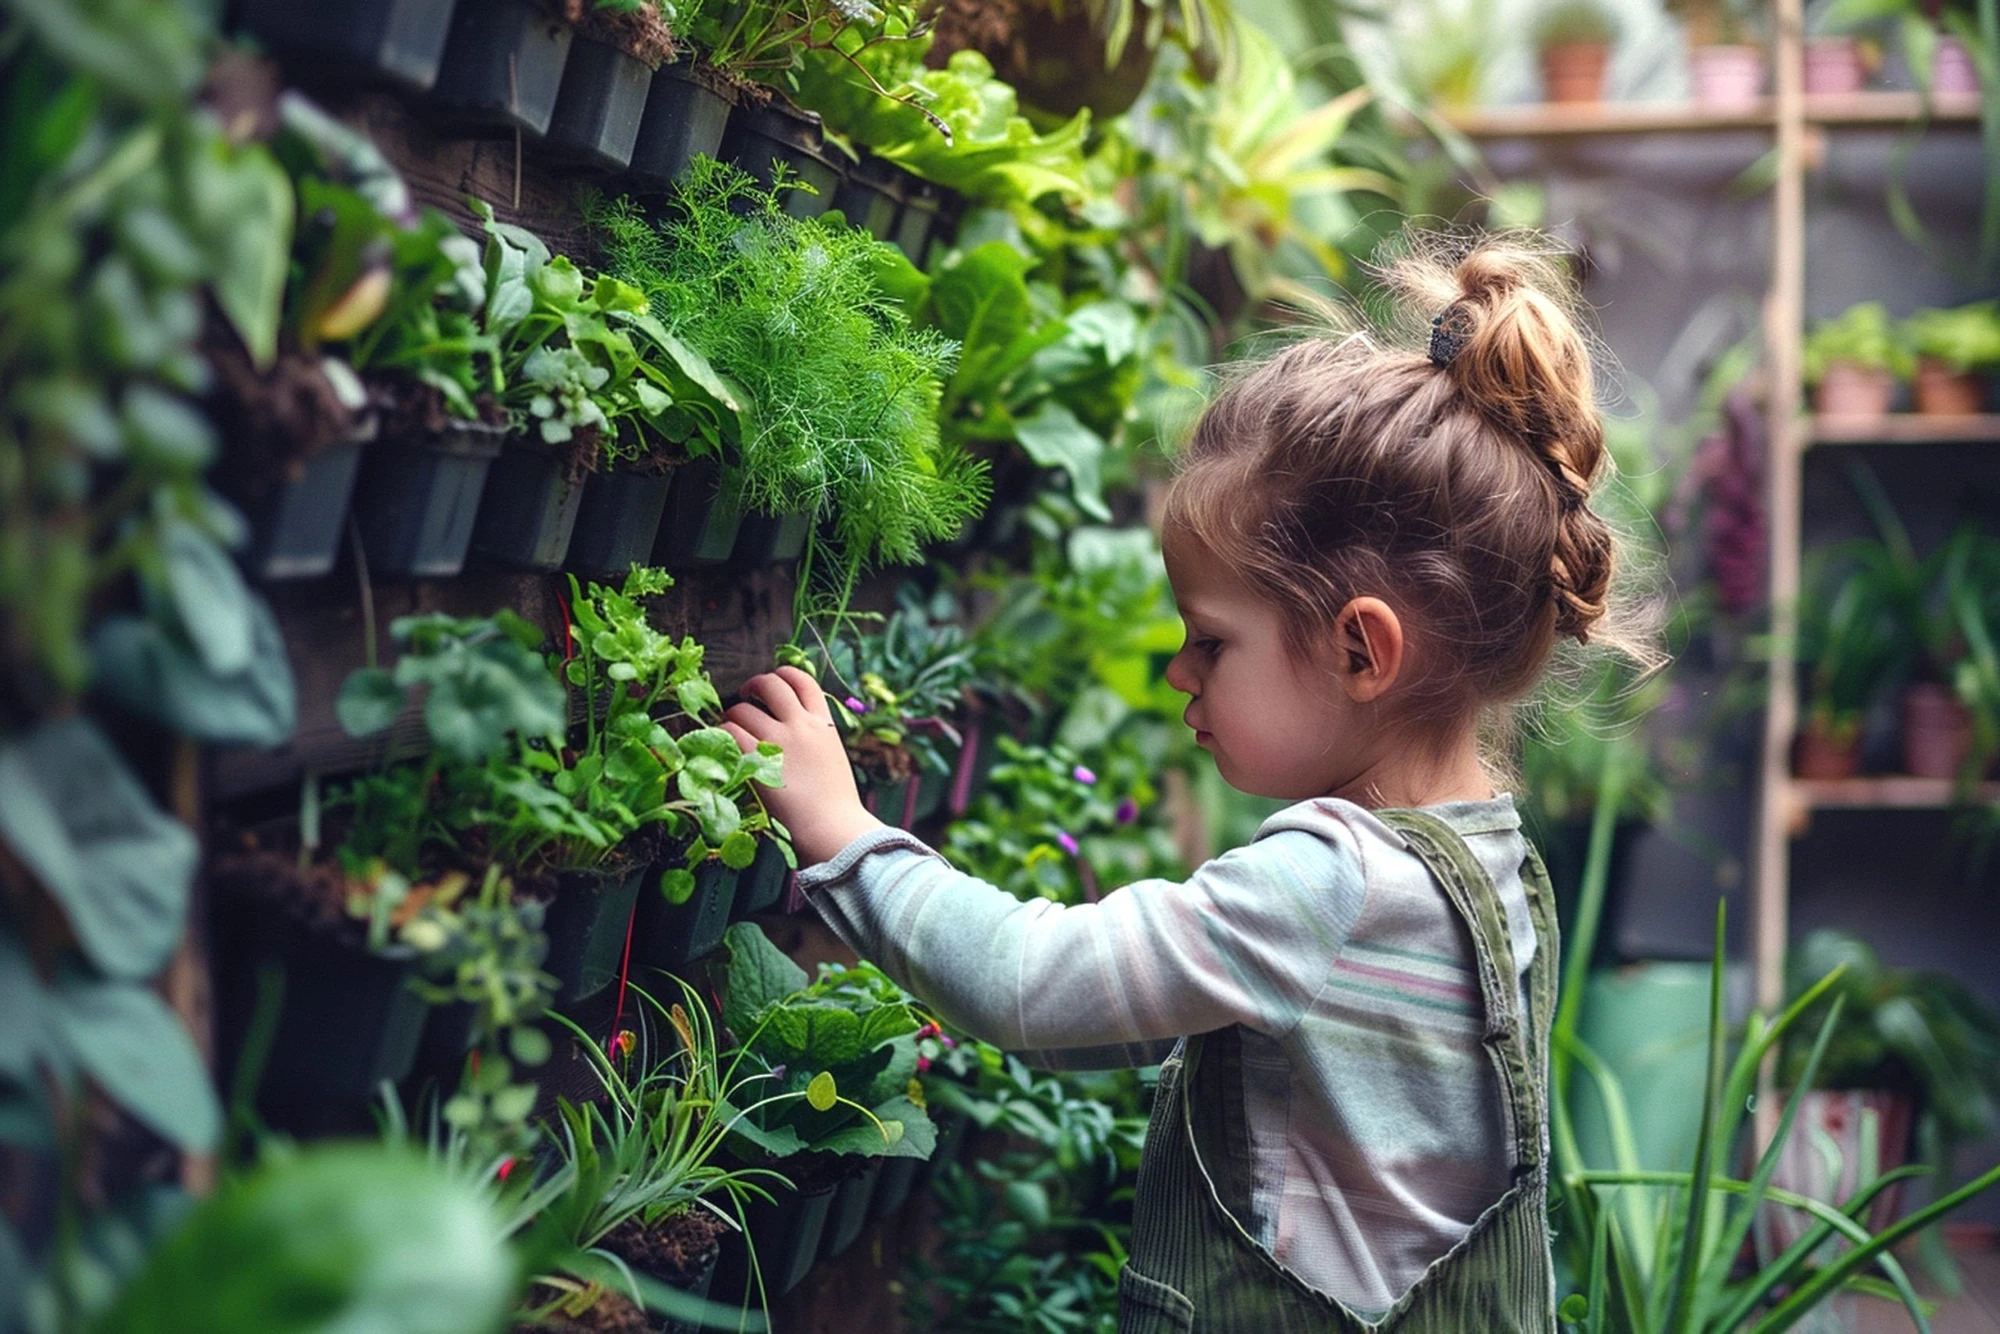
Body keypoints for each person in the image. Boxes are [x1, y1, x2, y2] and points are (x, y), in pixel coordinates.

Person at [721, 234, 1656, 1333]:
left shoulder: (1327, 884)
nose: (1179, 671)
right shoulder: (1495, 863)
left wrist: (843, 833)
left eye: (1210, 639)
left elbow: (1028, 984)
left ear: (1361, 650)